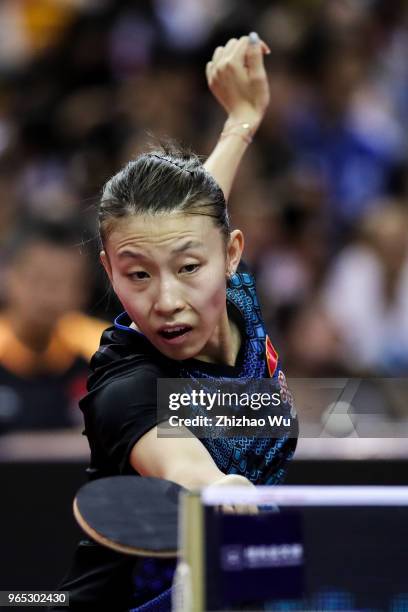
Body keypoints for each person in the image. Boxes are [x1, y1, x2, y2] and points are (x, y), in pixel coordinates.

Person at [53, 33, 298, 611]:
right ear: (108, 269)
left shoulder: (226, 289)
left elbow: (193, 210)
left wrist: (241, 119)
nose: (166, 299)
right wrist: (221, 489)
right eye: (136, 275)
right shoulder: (126, 386)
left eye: (188, 267)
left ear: (231, 253)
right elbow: (183, 464)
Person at [0, 220, 107, 433]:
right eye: (37, 279)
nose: (48, 295)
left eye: (62, 283)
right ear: (6, 275)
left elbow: (182, 427)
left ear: (84, 290)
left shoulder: (106, 347)